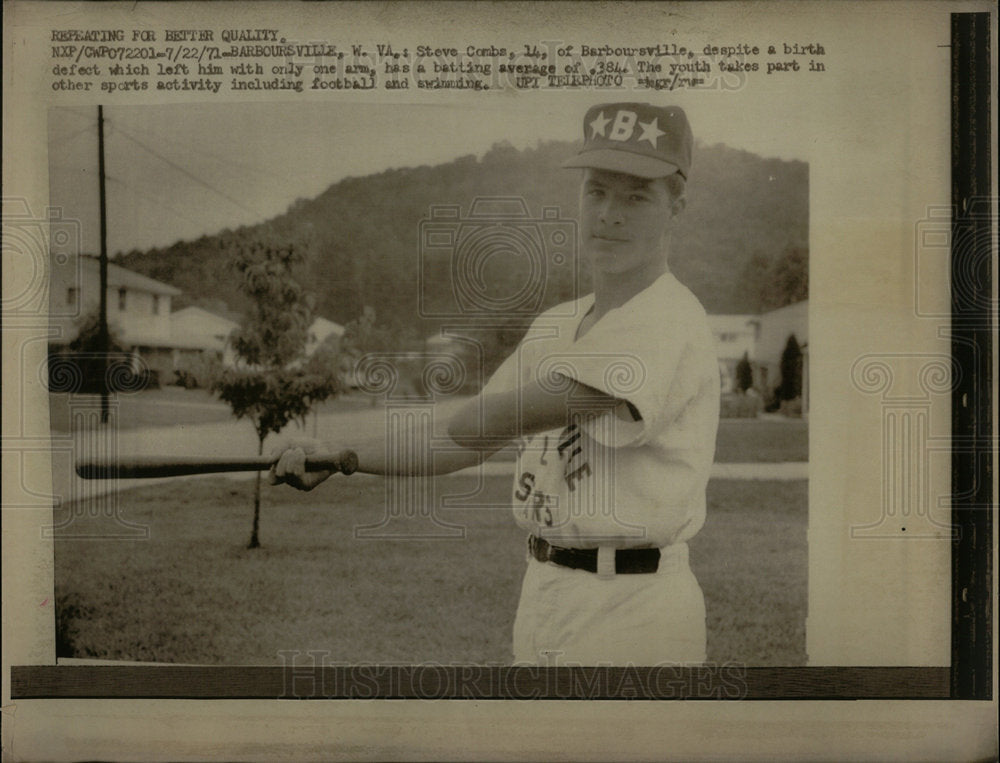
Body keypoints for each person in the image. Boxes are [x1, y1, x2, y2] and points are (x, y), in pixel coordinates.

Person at [272, 102, 720, 666]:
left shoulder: (670, 319)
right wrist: (343, 456)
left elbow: (482, 423)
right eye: (597, 192)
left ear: (677, 207)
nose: (610, 214)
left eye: (637, 197)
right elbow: (461, 442)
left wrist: (470, 424)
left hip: (636, 607)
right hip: (546, 586)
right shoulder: (559, 323)